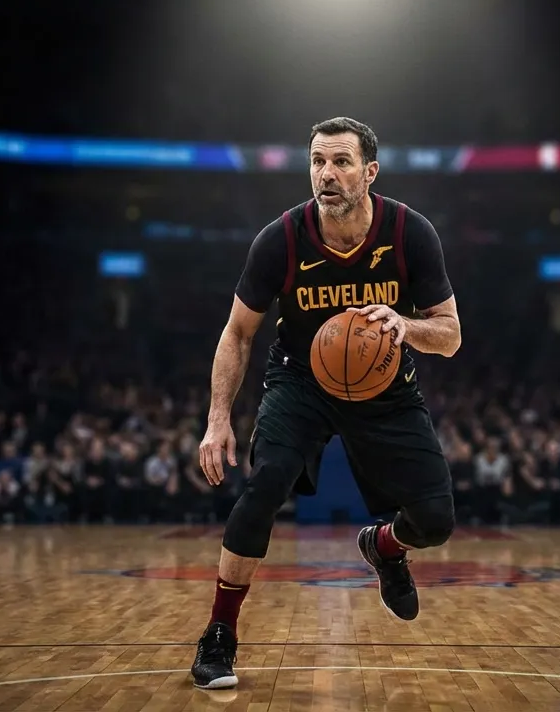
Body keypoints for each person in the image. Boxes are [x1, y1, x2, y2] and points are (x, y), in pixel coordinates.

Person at [190, 117, 462, 690]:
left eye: (340, 162)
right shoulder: (281, 239)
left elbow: (451, 334)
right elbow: (237, 333)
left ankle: (383, 546)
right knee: (265, 485)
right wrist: (217, 421)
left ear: (370, 171)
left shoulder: (410, 233)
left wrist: (406, 326)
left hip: (384, 385)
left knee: (436, 520)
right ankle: (219, 634)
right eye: (317, 161)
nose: (326, 174)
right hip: (301, 380)